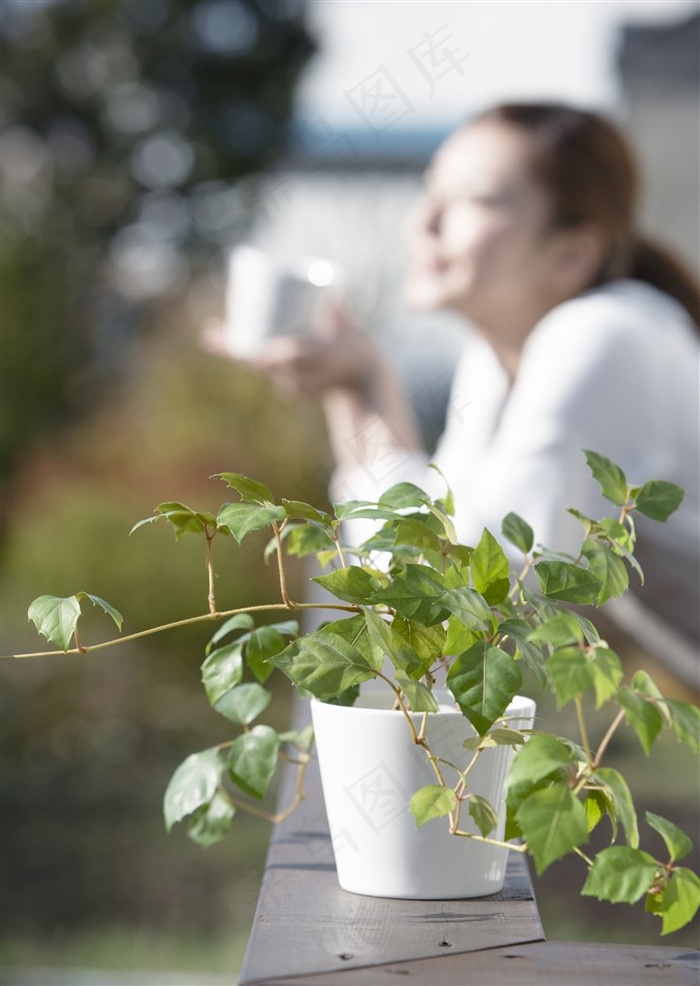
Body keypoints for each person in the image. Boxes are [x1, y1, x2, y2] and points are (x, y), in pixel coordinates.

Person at [206, 102, 700, 649]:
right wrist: (350, 387)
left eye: (476, 199)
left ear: (573, 253)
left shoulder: (601, 336)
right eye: (431, 190)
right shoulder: (495, 359)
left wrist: (365, 383)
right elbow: (424, 555)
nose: (425, 222)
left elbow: (470, 596)